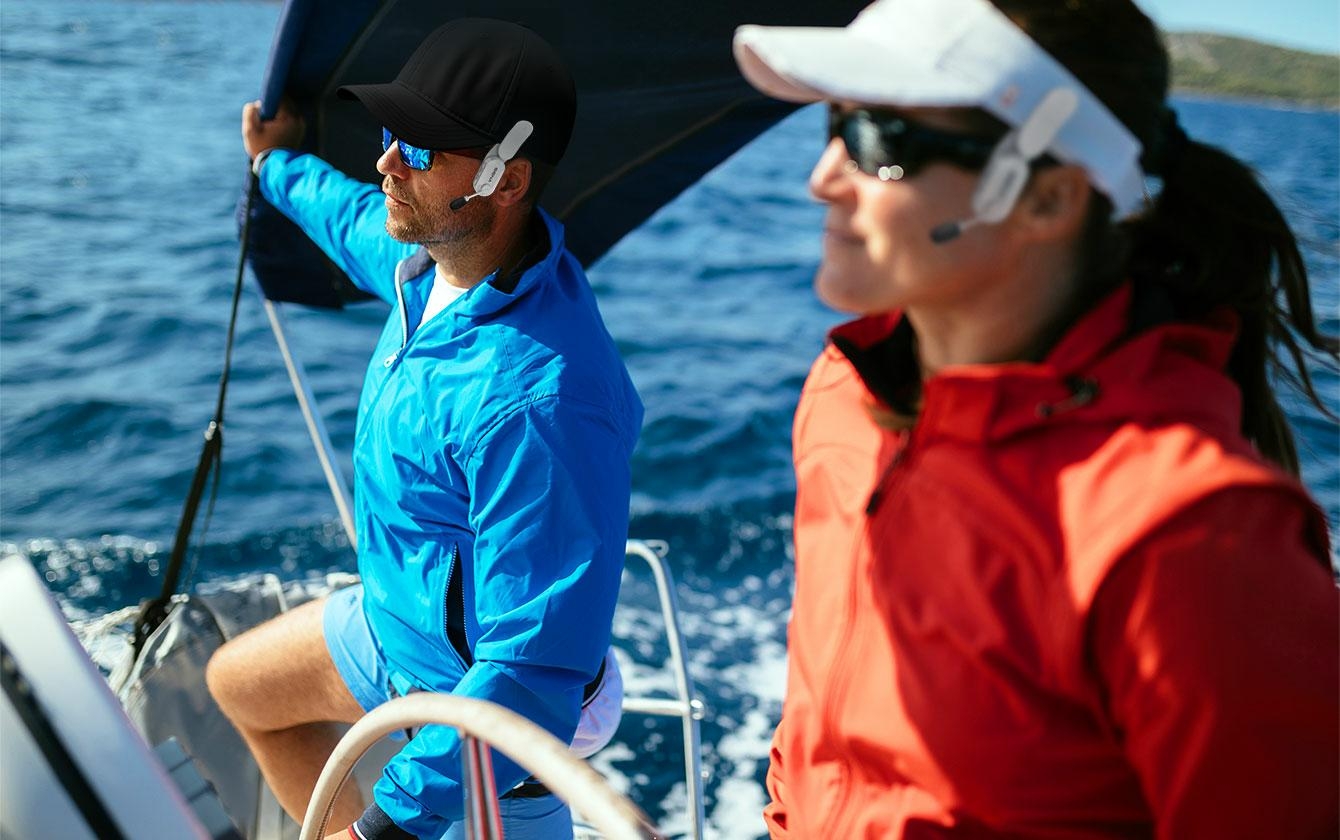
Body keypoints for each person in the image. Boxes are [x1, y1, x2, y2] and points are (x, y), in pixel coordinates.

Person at [732, 0, 1339, 836]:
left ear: (1049, 198)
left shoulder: (1187, 535)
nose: (823, 178)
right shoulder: (847, 395)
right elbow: (819, 722)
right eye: (837, 125)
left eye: (882, 142)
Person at [205, 18, 642, 840]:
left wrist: (386, 826)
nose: (386, 164)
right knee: (239, 686)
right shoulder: (429, 269)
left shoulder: (541, 400)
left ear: (505, 179)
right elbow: (347, 216)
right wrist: (274, 164)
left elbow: (532, 674)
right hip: (394, 629)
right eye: (388, 135)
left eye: (418, 149)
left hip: (491, 712)